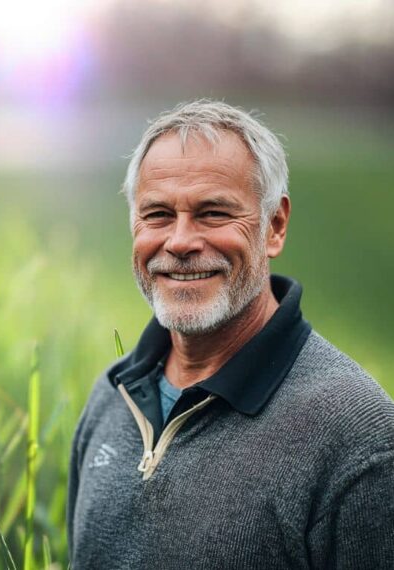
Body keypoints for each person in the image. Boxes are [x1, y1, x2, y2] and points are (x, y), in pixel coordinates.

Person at [67, 99, 394, 569]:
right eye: (157, 214)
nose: (179, 242)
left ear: (274, 227)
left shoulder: (360, 438)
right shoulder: (110, 397)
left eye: (213, 214)